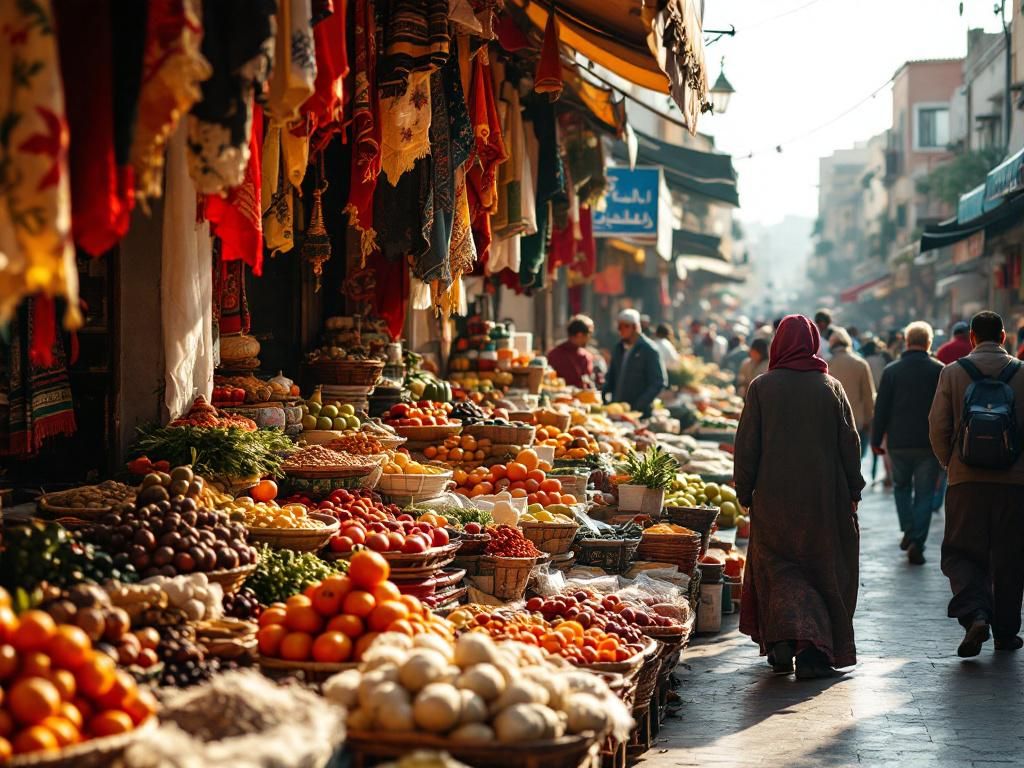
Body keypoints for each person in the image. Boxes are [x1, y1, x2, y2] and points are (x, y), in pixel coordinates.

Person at [735, 315, 864, 679]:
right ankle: (812, 651)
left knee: (778, 569)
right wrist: (853, 489)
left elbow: (747, 445)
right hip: (823, 501)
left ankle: (781, 643)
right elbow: (849, 443)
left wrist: (744, 490)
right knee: (819, 570)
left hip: (773, 501)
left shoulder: (761, 387)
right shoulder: (830, 387)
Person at [928, 311, 1024, 657]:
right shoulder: (1022, 373)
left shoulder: (952, 373)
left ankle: (976, 614)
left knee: (962, 552)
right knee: (1010, 556)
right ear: (1003, 336)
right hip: (1014, 483)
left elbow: (938, 426)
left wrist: (951, 464)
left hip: (965, 482)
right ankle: (1006, 633)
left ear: (971, 337)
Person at [871, 322, 943, 565]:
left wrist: (876, 440)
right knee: (924, 494)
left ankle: (909, 531)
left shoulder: (892, 371)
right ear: (929, 342)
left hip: (899, 442)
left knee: (901, 488)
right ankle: (917, 541)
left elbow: (881, 409)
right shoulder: (939, 370)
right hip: (928, 444)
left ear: (906, 341)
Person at [602, 309, 667, 418]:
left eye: (624, 326)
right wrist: (604, 394)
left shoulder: (649, 349)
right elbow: (611, 376)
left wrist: (639, 405)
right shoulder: (618, 348)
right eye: (619, 327)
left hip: (639, 414)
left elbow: (658, 382)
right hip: (617, 410)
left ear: (635, 327)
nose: (620, 330)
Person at [827, 328, 875, 454]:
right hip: (857, 421)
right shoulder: (861, 364)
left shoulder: (827, 364)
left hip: (832, 421)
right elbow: (868, 395)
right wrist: (868, 420)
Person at [547, 316, 595, 388]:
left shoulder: (587, 356)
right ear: (579, 335)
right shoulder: (555, 355)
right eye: (589, 334)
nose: (589, 338)